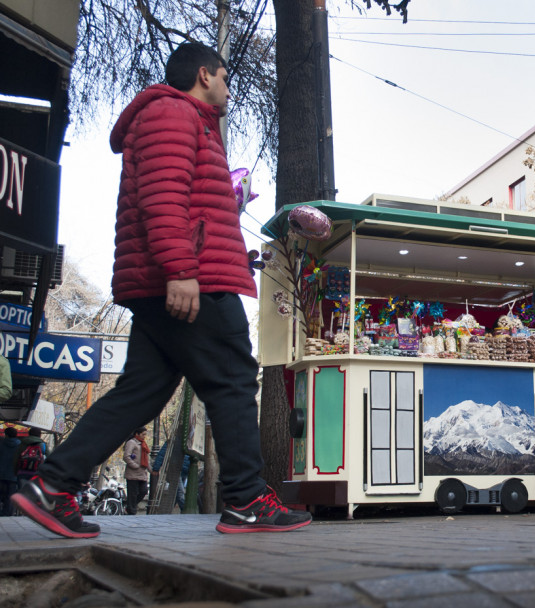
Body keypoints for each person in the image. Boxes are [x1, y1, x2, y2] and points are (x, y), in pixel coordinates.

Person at [12, 42, 312, 539]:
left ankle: (53, 484)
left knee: (142, 390)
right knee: (234, 379)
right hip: (190, 279)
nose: (229, 88)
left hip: (174, 277)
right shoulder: (173, 113)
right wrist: (180, 268)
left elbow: (183, 197)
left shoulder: (184, 120)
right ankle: (246, 499)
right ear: (204, 75)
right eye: (224, 78)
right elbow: (163, 195)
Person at [123, 428, 151, 515]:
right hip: (133, 473)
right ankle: (131, 511)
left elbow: (147, 460)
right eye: (143, 434)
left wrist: (151, 470)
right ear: (137, 434)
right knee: (133, 493)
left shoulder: (143, 444)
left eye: (145, 434)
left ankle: (130, 507)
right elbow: (126, 456)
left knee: (144, 491)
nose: (144, 436)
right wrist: (135, 465)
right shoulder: (131, 442)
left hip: (142, 473)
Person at [0, 427, 21, 516]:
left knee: (1, 494)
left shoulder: (1, 444)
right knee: (10, 495)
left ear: (6, 434)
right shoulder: (20, 445)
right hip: (14, 474)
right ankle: (8, 512)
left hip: (1, 474)